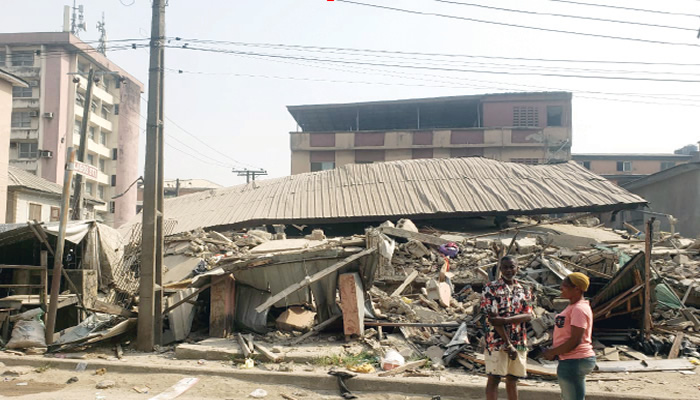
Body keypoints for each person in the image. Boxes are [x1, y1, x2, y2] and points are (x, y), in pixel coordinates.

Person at [480, 256, 533, 400]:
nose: (509, 270)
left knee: (513, 378)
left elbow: (528, 315)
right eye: (505, 267)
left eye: (512, 267)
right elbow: (493, 319)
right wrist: (508, 344)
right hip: (497, 340)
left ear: (517, 268)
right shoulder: (491, 288)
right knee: (494, 377)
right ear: (500, 269)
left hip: (519, 341)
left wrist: (505, 320)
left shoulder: (524, 289)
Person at [543, 272, 596, 400]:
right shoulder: (573, 306)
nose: (561, 289)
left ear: (577, 289)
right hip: (571, 359)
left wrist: (552, 352)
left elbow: (575, 340)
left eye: (564, 286)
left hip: (575, 359)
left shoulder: (579, 309)